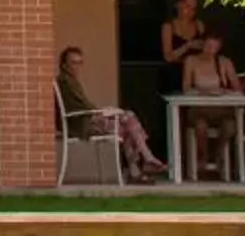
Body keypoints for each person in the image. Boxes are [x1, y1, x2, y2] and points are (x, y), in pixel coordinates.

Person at [55, 45, 167, 181]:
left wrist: (104, 111)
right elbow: (82, 107)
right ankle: (146, 160)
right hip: (82, 125)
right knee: (129, 118)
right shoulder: (66, 82)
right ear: (64, 64)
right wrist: (104, 112)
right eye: (73, 62)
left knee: (128, 125)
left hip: (86, 119)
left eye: (80, 63)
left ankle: (137, 169)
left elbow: (83, 106)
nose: (77, 67)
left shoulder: (69, 81)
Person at [175, 28, 243, 181]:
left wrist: (223, 92)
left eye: (214, 47)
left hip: (221, 110)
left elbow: (238, 89)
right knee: (200, 127)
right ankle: (202, 158)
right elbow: (186, 88)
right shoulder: (191, 61)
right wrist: (203, 92)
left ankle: (218, 154)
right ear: (201, 45)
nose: (210, 51)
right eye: (207, 46)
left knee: (231, 126)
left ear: (219, 47)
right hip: (199, 109)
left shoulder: (224, 62)